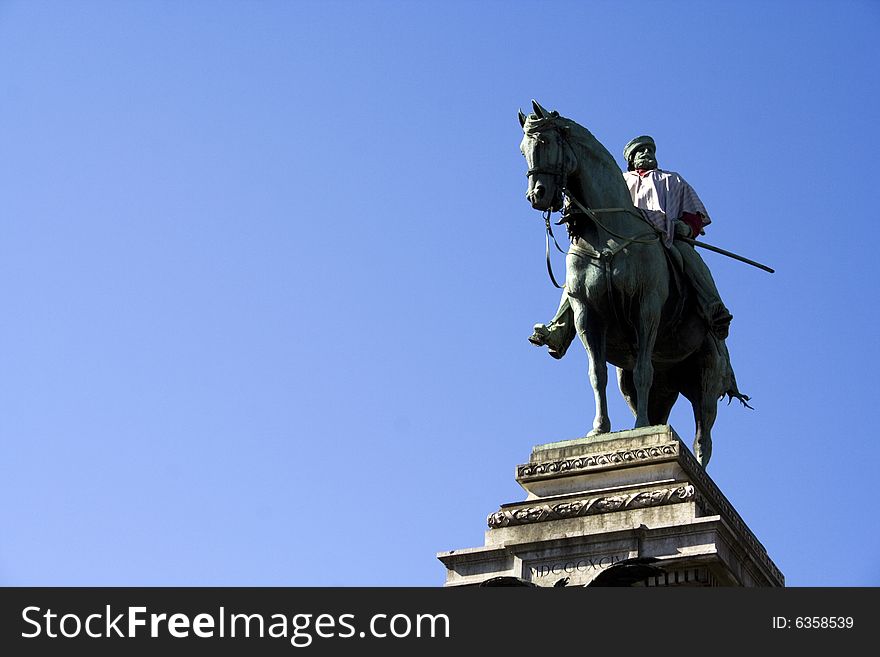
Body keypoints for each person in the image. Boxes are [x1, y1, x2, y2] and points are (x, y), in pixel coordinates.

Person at [529, 135, 733, 359]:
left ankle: (714, 307)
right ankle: (559, 330)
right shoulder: (619, 180)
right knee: (578, 276)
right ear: (631, 159)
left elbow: (693, 213)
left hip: (665, 236)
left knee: (689, 258)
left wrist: (686, 227)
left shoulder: (671, 180)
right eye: (640, 151)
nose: (646, 154)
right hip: (618, 239)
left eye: (649, 150)